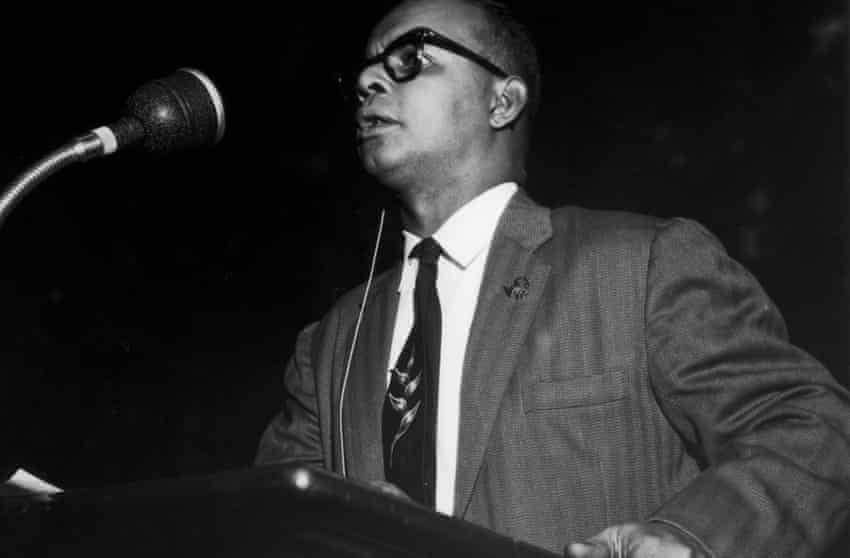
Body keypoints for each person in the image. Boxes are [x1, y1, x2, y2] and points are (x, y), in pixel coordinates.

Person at [255, 0, 850, 556]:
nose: (368, 81)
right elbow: (266, 523)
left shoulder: (643, 264)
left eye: (411, 58)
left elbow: (814, 428)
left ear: (502, 101)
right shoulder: (329, 343)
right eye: (363, 72)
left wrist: (689, 537)